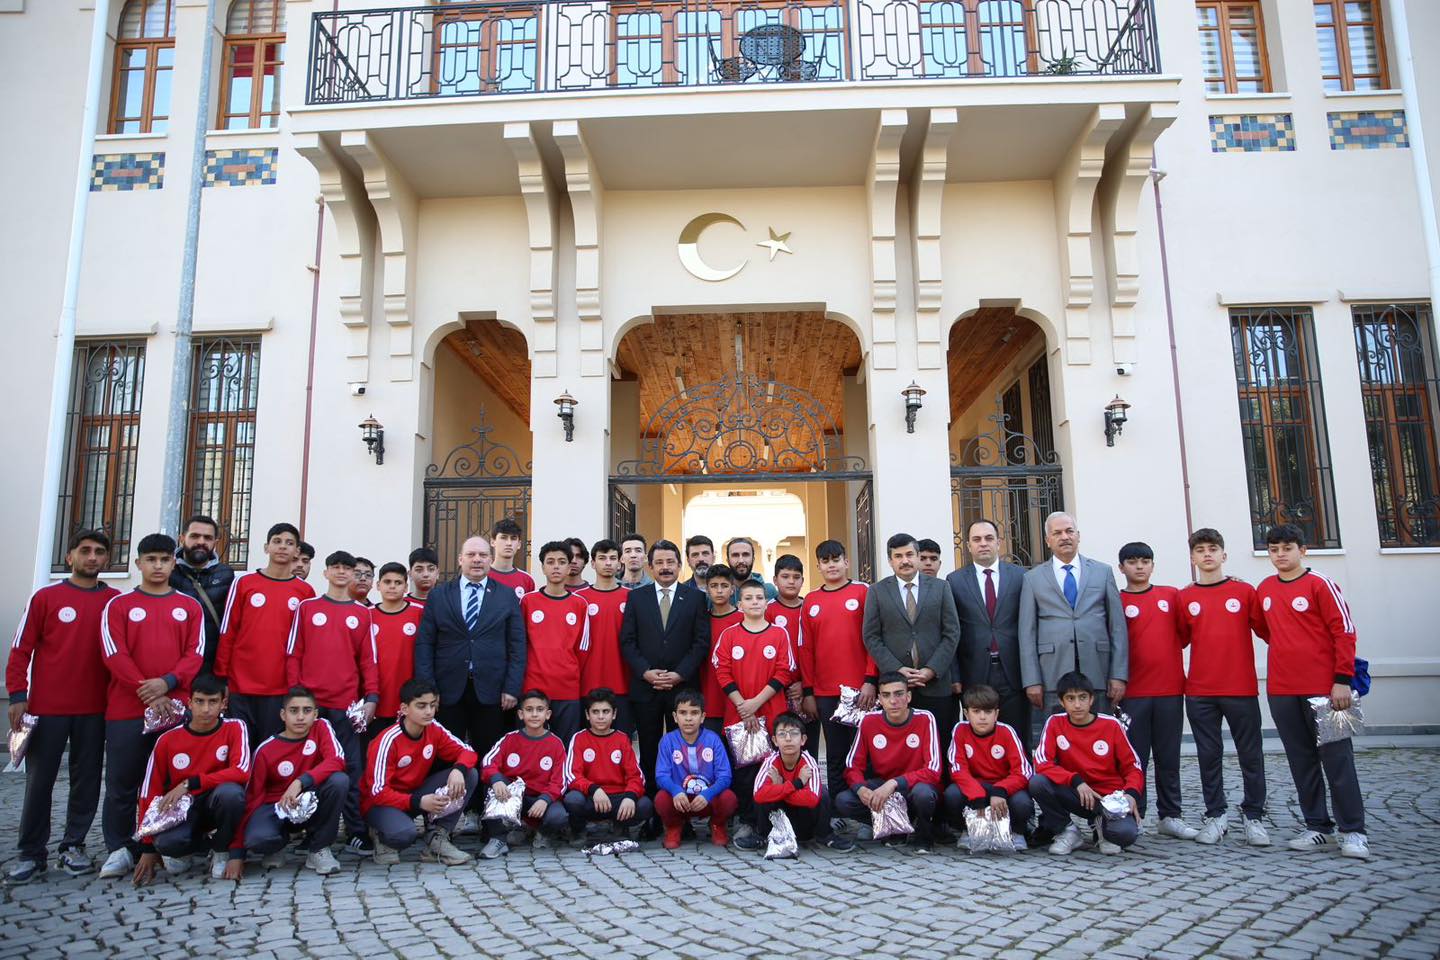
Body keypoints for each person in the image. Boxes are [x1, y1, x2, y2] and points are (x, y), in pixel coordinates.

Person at [6, 529, 119, 884]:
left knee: (86, 781)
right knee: (40, 782)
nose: (92, 557)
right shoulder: (46, 598)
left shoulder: (115, 601)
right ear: (69, 557)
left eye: (99, 552)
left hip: (95, 708)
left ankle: (74, 845)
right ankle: (30, 853)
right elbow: (21, 649)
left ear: (107, 560)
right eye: (84, 550)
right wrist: (16, 694)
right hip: (47, 707)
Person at [96, 532, 206, 880]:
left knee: (172, 780)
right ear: (138, 563)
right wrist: (150, 690)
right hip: (128, 709)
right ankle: (120, 847)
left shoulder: (189, 606)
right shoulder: (119, 605)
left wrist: (169, 684)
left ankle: (168, 845)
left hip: (175, 709)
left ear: (174, 563)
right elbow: (114, 653)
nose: (158, 566)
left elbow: (196, 653)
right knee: (123, 782)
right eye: (151, 560)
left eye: (164, 560)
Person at [1256, 524, 1369, 859]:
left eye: (1287, 548)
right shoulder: (1265, 589)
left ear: (1302, 550)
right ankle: (1317, 826)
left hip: (1326, 691)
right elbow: (1266, 630)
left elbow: (1344, 632)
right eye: (1274, 549)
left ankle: (1353, 831)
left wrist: (1341, 679)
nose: (1280, 555)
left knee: (1338, 761)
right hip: (1282, 689)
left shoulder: (1320, 584)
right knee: (1301, 761)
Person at [1177, 528, 1269, 847]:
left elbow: (1270, 631)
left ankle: (1254, 816)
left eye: (1212, 548)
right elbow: (1178, 639)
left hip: (1241, 688)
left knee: (1250, 754)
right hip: (1200, 690)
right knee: (1208, 754)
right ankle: (1215, 815)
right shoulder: (1185, 597)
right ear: (1192, 558)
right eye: (1200, 550)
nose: (1207, 554)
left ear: (1223, 555)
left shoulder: (1245, 592)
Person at [284, 550, 377, 855]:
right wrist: (296, 696)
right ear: (325, 573)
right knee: (308, 766)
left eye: (347, 569)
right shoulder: (307, 608)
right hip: (310, 707)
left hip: (345, 704)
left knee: (351, 767)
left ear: (353, 575)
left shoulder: (363, 613)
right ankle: (304, 829)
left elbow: (368, 662)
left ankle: (355, 830)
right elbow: (294, 653)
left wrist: (371, 698)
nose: (341, 572)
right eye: (335, 567)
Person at [414, 535, 526, 772]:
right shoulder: (439, 595)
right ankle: (449, 806)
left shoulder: (506, 596)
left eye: (483, 555)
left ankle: (481, 804)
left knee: (489, 749)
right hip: (447, 689)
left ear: (490, 559)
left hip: (492, 689)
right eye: (471, 555)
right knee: (447, 750)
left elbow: (517, 645)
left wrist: (512, 687)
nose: (477, 560)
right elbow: (425, 644)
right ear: (460, 559)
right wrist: (429, 689)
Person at [619, 538, 709, 832]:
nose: (666, 567)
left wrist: (679, 674)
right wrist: (646, 672)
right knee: (649, 751)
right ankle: (652, 816)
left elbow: (700, 643)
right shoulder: (636, 598)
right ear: (650, 566)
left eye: (671, 562)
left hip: (681, 691)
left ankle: (681, 818)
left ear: (680, 565)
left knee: (683, 755)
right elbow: (627, 641)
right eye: (659, 562)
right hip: (646, 689)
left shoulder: (694, 598)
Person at [131, 674, 250, 885]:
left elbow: (241, 771)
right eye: (199, 701)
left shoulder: (235, 728)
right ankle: (192, 848)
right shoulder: (167, 740)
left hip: (215, 802)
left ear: (223, 704)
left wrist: (189, 783)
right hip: (184, 811)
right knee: (168, 843)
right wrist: (148, 847)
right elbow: (149, 792)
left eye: (212, 702)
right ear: (189, 703)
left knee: (232, 794)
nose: (206, 709)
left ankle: (221, 850)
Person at [1116, 541, 1197, 840]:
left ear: (1152, 565)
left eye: (1145, 561)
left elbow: (1184, 634)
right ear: (1121, 567)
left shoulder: (1171, 596)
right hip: (1133, 692)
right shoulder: (1117, 599)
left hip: (1170, 690)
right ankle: (1136, 813)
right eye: (1133, 561)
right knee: (1134, 759)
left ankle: (1171, 815)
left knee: (1168, 756)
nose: (1139, 566)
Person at [1018, 512, 1128, 722]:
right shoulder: (1033, 578)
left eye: (1069, 531)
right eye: (1057, 533)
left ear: (1078, 535)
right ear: (1047, 540)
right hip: (1052, 671)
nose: (1064, 537)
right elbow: (1026, 632)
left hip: (1097, 669)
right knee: (1056, 739)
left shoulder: (1102, 572)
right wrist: (1031, 680)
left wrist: (1118, 675)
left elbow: (1117, 627)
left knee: (1099, 737)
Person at [215, 522, 315, 748]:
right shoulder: (244, 583)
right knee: (239, 748)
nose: (282, 547)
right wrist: (223, 678)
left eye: (289, 543)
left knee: (270, 750)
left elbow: (305, 644)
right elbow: (228, 631)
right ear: (266, 547)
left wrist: (297, 685)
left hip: (279, 688)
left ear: (297, 551)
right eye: (277, 541)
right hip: (241, 685)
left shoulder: (305, 592)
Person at [862, 533, 960, 762]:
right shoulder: (877, 591)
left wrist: (931, 669)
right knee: (900, 752)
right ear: (890, 561)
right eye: (898, 556)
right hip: (896, 688)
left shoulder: (941, 587)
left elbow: (952, 633)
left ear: (917, 556)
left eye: (909, 554)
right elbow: (871, 636)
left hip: (936, 685)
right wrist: (897, 671)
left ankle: (942, 797)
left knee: (940, 745)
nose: (904, 560)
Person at [233, 685, 347, 877]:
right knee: (257, 839)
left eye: (307, 710)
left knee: (339, 781)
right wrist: (236, 853)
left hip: (312, 802)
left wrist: (300, 782)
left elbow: (337, 760)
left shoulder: (321, 727)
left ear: (315, 714)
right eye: (294, 711)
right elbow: (252, 799)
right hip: (277, 808)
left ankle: (318, 848)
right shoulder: (265, 750)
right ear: (283, 715)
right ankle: (276, 844)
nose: (301, 717)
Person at [362, 677, 478, 866]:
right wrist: (419, 802)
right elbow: (377, 792)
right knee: (404, 834)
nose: (429, 711)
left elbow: (468, 752)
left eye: (432, 705)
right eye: (421, 706)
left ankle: (437, 838)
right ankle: (380, 835)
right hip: (381, 804)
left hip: (414, 796)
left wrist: (458, 769)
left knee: (469, 774)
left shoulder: (433, 728)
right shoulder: (387, 740)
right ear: (405, 709)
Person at [1030, 671, 1143, 856]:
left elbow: (1133, 766)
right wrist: (1076, 781)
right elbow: (1042, 762)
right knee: (1038, 783)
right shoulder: (1055, 722)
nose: (1077, 704)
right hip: (1076, 793)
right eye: (1070, 698)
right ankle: (1068, 831)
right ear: (1061, 702)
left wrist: (1131, 794)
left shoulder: (1111, 725)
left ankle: (1102, 827)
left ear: (1091, 700)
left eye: (1082, 698)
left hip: (1108, 799)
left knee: (1125, 835)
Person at [715, 579, 797, 830]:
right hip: (738, 715)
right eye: (748, 598)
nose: (754, 602)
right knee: (745, 772)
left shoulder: (778, 633)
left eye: (759, 598)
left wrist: (756, 703)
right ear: (739, 604)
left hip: (772, 713)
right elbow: (722, 672)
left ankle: (773, 821)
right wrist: (743, 707)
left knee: (771, 767)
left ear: (766, 602)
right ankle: (748, 822)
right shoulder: (729, 635)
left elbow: (784, 672)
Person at [798, 540, 875, 800]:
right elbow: (806, 649)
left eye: (836, 559)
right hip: (825, 691)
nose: (831, 565)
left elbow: (873, 640)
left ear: (846, 562)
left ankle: (866, 808)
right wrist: (809, 691)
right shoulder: (811, 600)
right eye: (825, 561)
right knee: (835, 752)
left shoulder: (863, 592)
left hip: (860, 689)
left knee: (864, 751)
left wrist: (870, 680)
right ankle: (839, 808)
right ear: (818, 565)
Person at [833, 673, 942, 853]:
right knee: (844, 800)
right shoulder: (869, 721)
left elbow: (933, 769)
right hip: (883, 789)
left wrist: (894, 783)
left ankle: (923, 835)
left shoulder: (924, 719)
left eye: (899, 694)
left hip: (912, 788)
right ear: (880, 700)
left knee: (924, 794)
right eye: (886, 695)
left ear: (908, 697)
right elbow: (853, 766)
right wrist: (861, 789)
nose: (893, 700)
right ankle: (893, 825)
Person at [947, 519, 1031, 751]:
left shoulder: (1020, 576)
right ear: (968, 545)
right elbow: (952, 632)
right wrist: (955, 676)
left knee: (1017, 735)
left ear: (999, 543)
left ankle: (1021, 782)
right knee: (977, 737)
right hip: (974, 671)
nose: (983, 544)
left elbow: (1029, 624)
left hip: (1013, 671)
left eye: (988, 538)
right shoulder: (954, 581)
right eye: (977, 539)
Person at [478, 690, 570, 859]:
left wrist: (545, 799)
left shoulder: (556, 744)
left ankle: (541, 832)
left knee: (559, 816)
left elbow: (561, 781)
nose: (534, 714)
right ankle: (499, 839)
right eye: (529, 709)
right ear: (521, 714)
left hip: (540, 800)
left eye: (539, 709)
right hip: (514, 798)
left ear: (547, 714)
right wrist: (497, 779)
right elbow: (488, 763)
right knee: (492, 784)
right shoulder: (509, 739)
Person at [942, 684, 1033, 851]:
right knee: (952, 794)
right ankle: (967, 830)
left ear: (996, 714)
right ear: (966, 713)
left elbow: (1023, 771)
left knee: (1023, 803)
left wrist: (1001, 790)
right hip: (976, 785)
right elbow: (957, 769)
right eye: (976, 711)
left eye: (988, 712)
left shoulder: (1007, 732)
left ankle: (1017, 831)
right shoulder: (960, 730)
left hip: (1004, 786)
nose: (982, 717)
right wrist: (976, 794)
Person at [745, 711, 853, 852]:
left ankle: (824, 835)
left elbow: (812, 799)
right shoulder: (770, 762)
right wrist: (798, 784)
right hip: (777, 821)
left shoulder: (809, 762)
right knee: (763, 797)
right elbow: (759, 795)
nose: (788, 738)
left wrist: (780, 789)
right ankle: (763, 835)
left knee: (823, 794)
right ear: (775, 740)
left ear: (803, 740)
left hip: (804, 825)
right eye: (782, 734)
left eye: (794, 733)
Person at [520, 541, 592, 744]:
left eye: (562, 562)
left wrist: (568, 672)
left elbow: (583, 650)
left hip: (567, 689)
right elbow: (520, 645)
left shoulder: (580, 604)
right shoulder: (527, 601)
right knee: (531, 747)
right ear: (542, 567)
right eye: (550, 562)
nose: (556, 566)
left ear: (570, 567)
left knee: (565, 745)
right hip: (533, 688)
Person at [562, 688, 654, 836]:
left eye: (605, 711)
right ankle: (579, 829)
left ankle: (621, 824)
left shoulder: (622, 739)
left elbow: (636, 776)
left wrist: (630, 796)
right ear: (587, 714)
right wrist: (594, 789)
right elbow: (572, 775)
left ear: (614, 714)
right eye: (595, 712)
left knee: (645, 805)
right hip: (591, 797)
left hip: (618, 797)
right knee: (573, 800)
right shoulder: (579, 738)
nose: (600, 717)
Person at [653, 690, 736, 849]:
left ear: (703, 717)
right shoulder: (667, 741)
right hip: (680, 800)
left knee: (728, 798)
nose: (689, 718)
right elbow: (661, 776)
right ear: (675, 717)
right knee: (661, 799)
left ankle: (717, 824)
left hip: (706, 799)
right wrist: (675, 790)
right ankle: (674, 826)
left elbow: (725, 776)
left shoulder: (713, 739)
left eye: (694, 713)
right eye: (683, 713)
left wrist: (708, 793)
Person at [575, 539, 633, 734]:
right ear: (592, 563)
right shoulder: (579, 599)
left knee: (620, 743)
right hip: (588, 684)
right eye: (602, 558)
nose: (608, 563)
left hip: (623, 683)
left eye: (612, 558)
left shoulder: (631, 597)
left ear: (620, 562)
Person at [169, 514, 235, 675]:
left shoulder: (226, 575)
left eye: (207, 538)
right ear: (182, 538)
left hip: (211, 668)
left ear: (215, 542)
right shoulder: (168, 572)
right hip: (173, 666)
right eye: (195, 536)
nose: (201, 542)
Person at [370, 562, 423, 741]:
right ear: (378, 585)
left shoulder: (419, 613)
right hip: (377, 698)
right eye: (387, 582)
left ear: (406, 587)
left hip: (409, 697)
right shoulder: (366, 615)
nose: (392, 586)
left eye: (398, 582)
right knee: (376, 746)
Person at [765, 554, 808, 741]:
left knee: (806, 741)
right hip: (777, 690)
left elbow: (816, 652)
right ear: (775, 580)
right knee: (780, 741)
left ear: (802, 580)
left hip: (806, 690)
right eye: (785, 576)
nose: (791, 581)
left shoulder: (810, 606)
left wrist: (805, 685)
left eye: (796, 577)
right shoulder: (767, 610)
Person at [699, 564, 742, 733]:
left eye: (724, 586)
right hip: (708, 696)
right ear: (707, 589)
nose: (719, 591)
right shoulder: (701, 620)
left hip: (737, 698)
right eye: (714, 586)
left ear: (732, 589)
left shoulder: (743, 619)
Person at [489, 518, 536, 599]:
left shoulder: (527, 580)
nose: (509, 543)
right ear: (493, 542)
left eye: (513, 538)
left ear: (519, 544)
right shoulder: (482, 576)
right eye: (503, 537)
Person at [725, 536, 777, 601]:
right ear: (728, 561)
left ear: (753, 559)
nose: (741, 560)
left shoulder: (769, 591)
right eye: (735, 555)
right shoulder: (718, 594)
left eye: (745, 554)